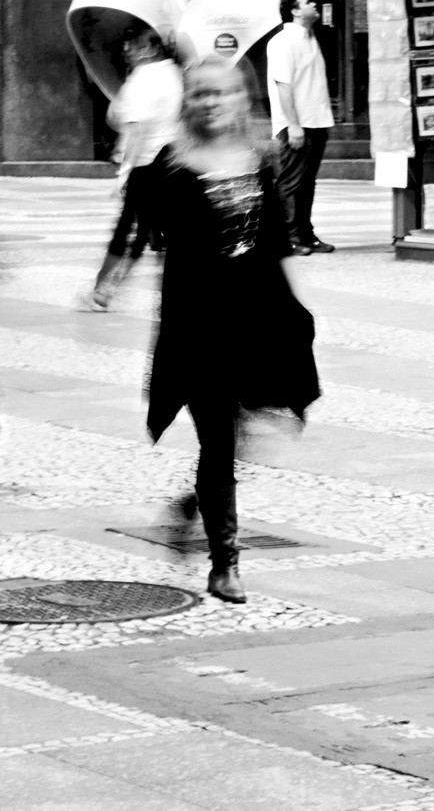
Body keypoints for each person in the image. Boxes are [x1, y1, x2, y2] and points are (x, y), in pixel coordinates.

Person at [143, 58, 320, 604]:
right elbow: (146, 236)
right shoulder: (170, 167)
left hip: (258, 319)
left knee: (258, 425)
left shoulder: (261, 159)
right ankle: (225, 563)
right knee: (217, 437)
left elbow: (277, 239)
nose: (213, 102)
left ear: (243, 99)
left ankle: (194, 504)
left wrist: (298, 309)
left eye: (224, 93)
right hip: (200, 326)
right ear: (188, 102)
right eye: (202, 93)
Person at [85, 30, 183, 310]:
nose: (128, 49)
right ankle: (104, 289)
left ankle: (102, 289)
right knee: (148, 233)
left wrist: (124, 172)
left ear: (152, 49)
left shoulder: (146, 78)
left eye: (136, 44)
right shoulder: (173, 73)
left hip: (146, 165)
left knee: (128, 231)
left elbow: (136, 129)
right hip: (170, 161)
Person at [265, 0, 336, 256]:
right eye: (308, 2)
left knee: (308, 182)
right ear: (294, 11)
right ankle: (289, 236)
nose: (315, 4)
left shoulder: (310, 38)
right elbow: (283, 85)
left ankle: (306, 233)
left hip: (316, 121)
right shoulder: (283, 41)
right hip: (297, 123)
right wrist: (293, 125)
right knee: (291, 182)